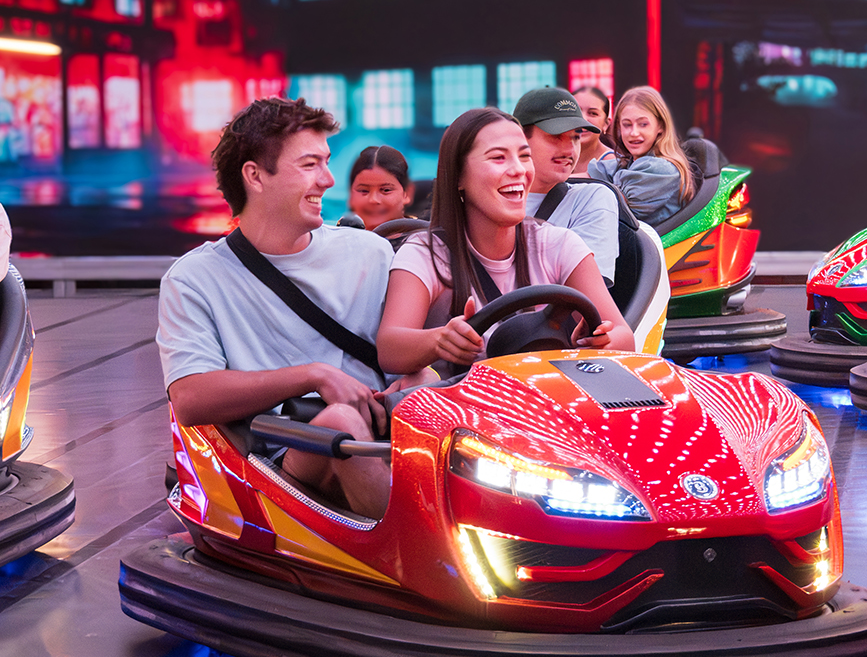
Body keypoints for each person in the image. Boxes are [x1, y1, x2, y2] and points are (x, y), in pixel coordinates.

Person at [157, 98, 418, 519]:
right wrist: (312, 376)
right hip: (282, 467)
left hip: (388, 438)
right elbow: (189, 397)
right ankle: (417, 557)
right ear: (255, 176)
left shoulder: (371, 253)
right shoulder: (194, 279)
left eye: (327, 163)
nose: (329, 180)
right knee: (339, 423)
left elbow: (417, 358)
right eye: (310, 165)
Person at [377, 108, 634, 374]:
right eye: (499, 158)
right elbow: (389, 348)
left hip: (544, 405)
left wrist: (599, 342)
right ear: (458, 177)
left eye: (525, 156)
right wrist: (439, 340)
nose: (519, 170)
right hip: (464, 410)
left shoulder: (560, 244)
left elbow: (624, 337)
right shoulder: (425, 253)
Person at [512, 87, 620, 286]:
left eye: (576, 137)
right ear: (520, 138)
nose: (569, 149)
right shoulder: (492, 200)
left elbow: (586, 298)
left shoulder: (591, 198)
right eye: (556, 136)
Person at [588, 85, 696, 225]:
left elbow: (608, 205)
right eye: (627, 125)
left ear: (661, 126)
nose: (634, 133)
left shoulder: (662, 168)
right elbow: (587, 176)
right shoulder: (628, 163)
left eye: (643, 124)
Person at [346, 145, 414, 230]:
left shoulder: (422, 240)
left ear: (407, 193)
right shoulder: (339, 238)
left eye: (386, 190)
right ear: (350, 194)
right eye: (364, 190)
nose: (373, 200)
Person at [573, 86, 616, 171]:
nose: (583, 119)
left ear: (606, 124)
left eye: (593, 113)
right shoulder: (553, 157)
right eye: (576, 111)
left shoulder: (612, 163)